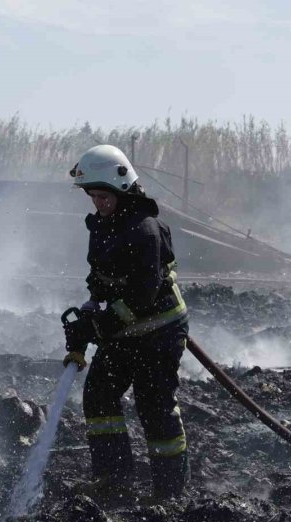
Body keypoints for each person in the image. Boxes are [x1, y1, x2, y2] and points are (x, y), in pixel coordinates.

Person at [62, 144, 190, 502]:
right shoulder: (103, 226)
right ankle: (114, 481)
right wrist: (88, 314)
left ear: (123, 189)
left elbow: (141, 297)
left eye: (104, 197)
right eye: (93, 197)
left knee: (154, 406)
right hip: (124, 332)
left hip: (159, 332)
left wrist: (99, 326)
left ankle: (169, 492)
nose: (98, 204)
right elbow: (100, 279)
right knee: (98, 396)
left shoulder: (146, 231)